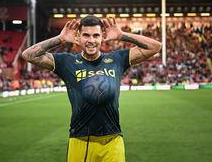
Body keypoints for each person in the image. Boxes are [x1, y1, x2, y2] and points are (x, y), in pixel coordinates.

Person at [22, 15, 161, 162]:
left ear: (103, 36)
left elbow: (156, 47)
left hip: (113, 140)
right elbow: (28, 55)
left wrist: (122, 35)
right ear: (79, 37)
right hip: (81, 141)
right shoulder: (67, 62)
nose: (91, 41)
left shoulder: (117, 59)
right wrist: (60, 39)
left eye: (96, 35)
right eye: (86, 35)